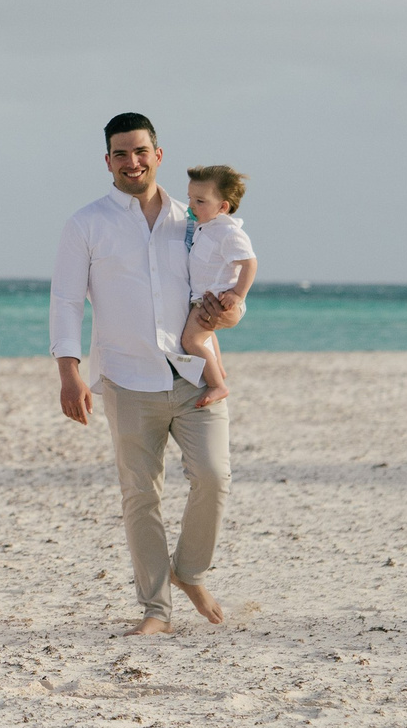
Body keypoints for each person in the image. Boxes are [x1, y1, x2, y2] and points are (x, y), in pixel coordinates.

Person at [51, 114, 240, 636]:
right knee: (141, 495)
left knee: (215, 477)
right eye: (119, 153)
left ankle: (189, 571)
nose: (131, 162)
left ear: (159, 154)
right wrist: (69, 373)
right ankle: (156, 610)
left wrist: (229, 311)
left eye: (140, 151)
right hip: (126, 379)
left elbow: (230, 293)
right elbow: (66, 301)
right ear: (107, 161)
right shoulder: (86, 224)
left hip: (194, 374)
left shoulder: (195, 222)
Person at [181, 166, 256, 409]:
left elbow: (249, 262)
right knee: (207, 335)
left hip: (215, 299)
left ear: (223, 207)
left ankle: (217, 385)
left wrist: (237, 294)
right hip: (204, 297)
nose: (191, 205)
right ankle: (219, 370)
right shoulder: (206, 226)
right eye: (190, 198)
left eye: (200, 201)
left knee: (191, 341)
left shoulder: (228, 232)